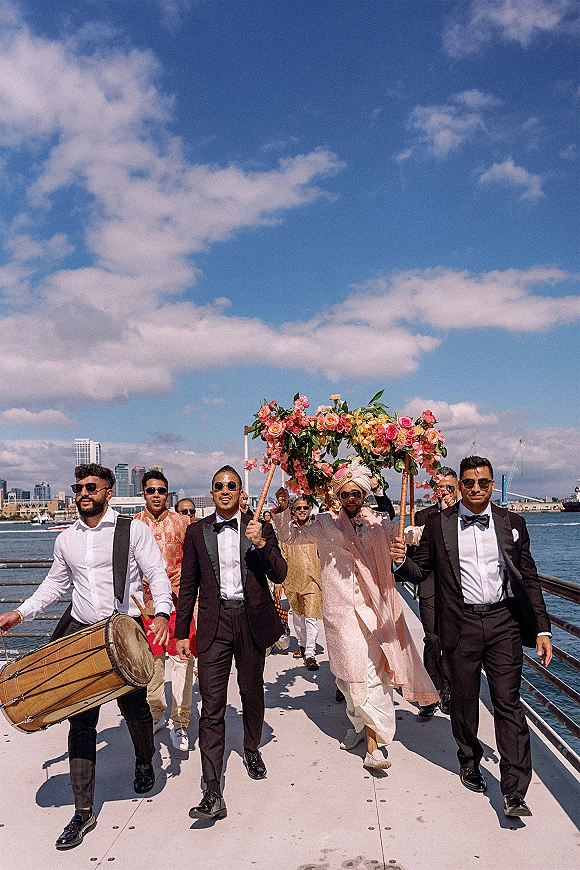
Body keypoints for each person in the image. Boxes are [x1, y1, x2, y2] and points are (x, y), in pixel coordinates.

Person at [0, 464, 172, 850]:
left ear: (108, 492)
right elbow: (55, 585)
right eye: (77, 487)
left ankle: (144, 761)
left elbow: (157, 574)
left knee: (136, 710)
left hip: (123, 630)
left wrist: (161, 612)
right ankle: (82, 812)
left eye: (90, 487)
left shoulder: (133, 530)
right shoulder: (66, 540)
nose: (82, 493)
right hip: (80, 634)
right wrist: (21, 613)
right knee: (80, 722)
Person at [391, 456, 552, 818]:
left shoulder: (513, 522)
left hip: (504, 623)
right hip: (459, 624)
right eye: (469, 482)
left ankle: (514, 791)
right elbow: (422, 571)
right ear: (460, 485)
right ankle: (468, 758)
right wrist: (400, 562)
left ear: (493, 484)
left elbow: (529, 577)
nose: (476, 488)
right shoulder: (437, 524)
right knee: (464, 701)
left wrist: (542, 628)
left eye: (483, 482)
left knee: (508, 703)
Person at [272, 458, 439, 771]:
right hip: (340, 614)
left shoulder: (377, 523)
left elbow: (404, 532)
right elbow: (290, 537)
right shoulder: (323, 523)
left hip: (375, 611)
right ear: (338, 495)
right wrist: (283, 510)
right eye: (345, 493)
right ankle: (358, 726)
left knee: (374, 677)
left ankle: (374, 747)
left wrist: (415, 533)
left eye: (356, 493)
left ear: (364, 495)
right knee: (348, 678)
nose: (351, 498)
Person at [174, 465, 287, 820]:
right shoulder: (196, 532)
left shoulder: (260, 527)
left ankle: (251, 746)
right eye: (219, 485)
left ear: (241, 493)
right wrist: (180, 633)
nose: (225, 490)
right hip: (214, 624)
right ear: (212, 493)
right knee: (211, 705)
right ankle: (212, 790)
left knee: (252, 692)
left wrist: (262, 543)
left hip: (252, 620)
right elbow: (188, 585)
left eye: (232, 485)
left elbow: (280, 573)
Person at [134, 471, 194, 751]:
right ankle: (156, 713)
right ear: (143, 493)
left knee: (183, 662)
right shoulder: (133, 525)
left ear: (167, 493)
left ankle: (180, 721)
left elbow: (195, 561)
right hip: (147, 607)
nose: (156, 495)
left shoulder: (183, 523)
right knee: (153, 666)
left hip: (181, 604)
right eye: (150, 490)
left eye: (161, 490)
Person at [409, 467, 458, 717]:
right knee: (433, 639)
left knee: (450, 640)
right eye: (441, 487)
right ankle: (430, 693)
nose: (445, 492)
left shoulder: (463, 515)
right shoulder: (423, 516)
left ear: (458, 488)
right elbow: (416, 557)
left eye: (450, 487)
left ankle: (448, 691)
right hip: (429, 586)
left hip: (455, 590)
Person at [279, 496, 323, 671]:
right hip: (293, 580)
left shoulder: (317, 531)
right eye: (299, 508)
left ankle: (310, 654)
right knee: (298, 619)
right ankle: (303, 644)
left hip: (313, 581)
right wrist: (279, 582)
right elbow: (283, 556)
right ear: (293, 511)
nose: (303, 510)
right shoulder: (288, 533)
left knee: (312, 618)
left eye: (306, 507)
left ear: (310, 510)